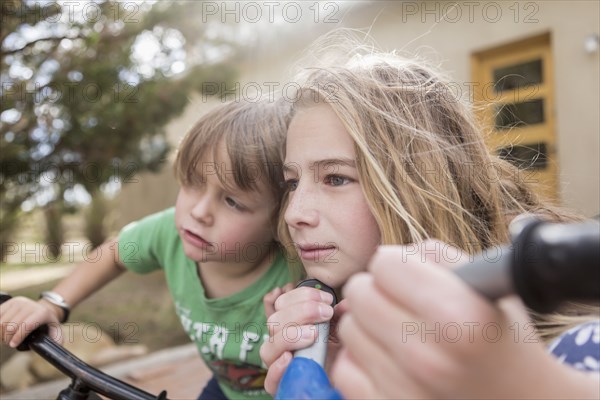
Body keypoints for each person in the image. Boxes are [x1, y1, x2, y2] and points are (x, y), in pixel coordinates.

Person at [259, 37, 599, 398]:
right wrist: (335, 374)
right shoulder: (338, 340)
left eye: (336, 178)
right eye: (292, 183)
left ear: (421, 184)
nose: (295, 214)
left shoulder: (578, 352)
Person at [1, 97, 294, 400]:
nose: (199, 212)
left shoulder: (300, 270)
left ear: (280, 219)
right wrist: (52, 305)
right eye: (193, 182)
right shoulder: (169, 233)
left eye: (232, 201)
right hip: (225, 390)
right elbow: (113, 253)